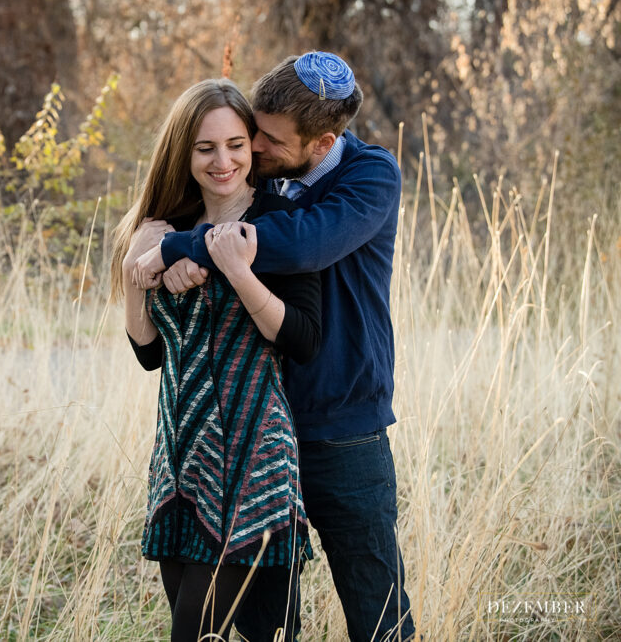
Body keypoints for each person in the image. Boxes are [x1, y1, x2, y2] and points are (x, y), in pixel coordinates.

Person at [132, 53, 417, 641]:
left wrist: (182, 248)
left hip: (342, 424)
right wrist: (164, 251)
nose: (253, 147)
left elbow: (300, 242)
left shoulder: (370, 177)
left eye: (267, 138)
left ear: (322, 142)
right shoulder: (257, 174)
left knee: (377, 612)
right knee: (265, 624)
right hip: (254, 439)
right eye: (252, 130)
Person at [110, 78, 322, 642]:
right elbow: (149, 352)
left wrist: (237, 270)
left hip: (251, 459)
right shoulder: (170, 231)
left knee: (194, 635)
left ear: (252, 145)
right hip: (180, 462)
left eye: (234, 144)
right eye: (205, 149)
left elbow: (302, 338)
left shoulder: (278, 221)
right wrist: (138, 271)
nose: (223, 160)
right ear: (184, 152)